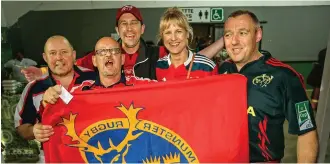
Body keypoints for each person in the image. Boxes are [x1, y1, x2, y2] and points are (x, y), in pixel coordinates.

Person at [22, 5, 224, 81]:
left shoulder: (157, 54)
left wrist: (224, 41)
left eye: (134, 23)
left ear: (142, 29)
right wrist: (41, 72)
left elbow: (187, 57)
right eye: (123, 24)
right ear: (117, 30)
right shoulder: (103, 55)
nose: (129, 29)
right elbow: (70, 66)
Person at [218, 10, 318, 162]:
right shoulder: (221, 71)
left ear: (258, 35)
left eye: (243, 33)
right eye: (228, 34)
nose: (234, 41)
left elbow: (306, 131)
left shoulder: (284, 76)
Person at [14, 35, 95, 144]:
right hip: (53, 155)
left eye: (64, 52)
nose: (59, 57)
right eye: (52, 53)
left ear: (74, 55)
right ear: (45, 57)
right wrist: (34, 131)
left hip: (91, 150)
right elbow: (21, 128)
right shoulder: (33, 88)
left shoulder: (94, 79)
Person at [156, 7, 217, 81]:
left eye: (178, 31)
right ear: (162, 37)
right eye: (168, 33)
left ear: (187, 34)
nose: (173, 38)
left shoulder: (207, 66)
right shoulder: (158, 66)